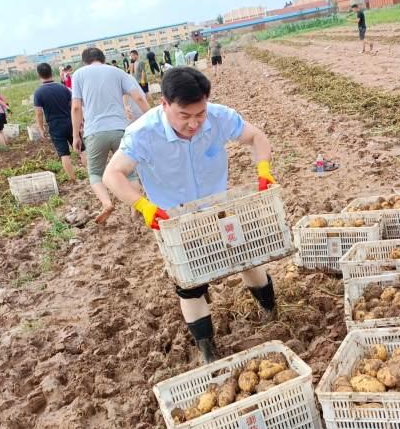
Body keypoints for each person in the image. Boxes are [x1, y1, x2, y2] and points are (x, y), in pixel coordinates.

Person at [102, 67, 278, 363]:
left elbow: (256, 138)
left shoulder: (219, 117)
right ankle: (208, 349)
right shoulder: (143, 134)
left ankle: (271, 312)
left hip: (219, 210)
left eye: (200, 114)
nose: (194, 123)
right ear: (165, 105)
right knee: (190, 284)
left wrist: (264, 171)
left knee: (247, 257)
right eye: (185, 116)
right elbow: (112, 174)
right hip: (176, 222)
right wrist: (144, 206)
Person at [70, 47, 149, 223]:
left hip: (94, 132)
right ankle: (135, 208)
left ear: (85, 61)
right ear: (103, 59)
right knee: (130, 173)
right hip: (120, 128)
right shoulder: (117, 72)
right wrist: (152, 118)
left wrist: (76, 135)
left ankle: (106, 204)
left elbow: (76, 107)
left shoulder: (79, 75)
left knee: (96, 173)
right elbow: (139, 97)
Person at [34, 62, 87, 186]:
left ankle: (74, 180)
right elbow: (73, 106)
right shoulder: (62, 88)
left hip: (55, 125)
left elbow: (38, 113)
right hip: (70, 122)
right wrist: (81, 121)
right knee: (81, 149)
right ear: (51, 72)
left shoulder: (39, 92)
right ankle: (92, 174)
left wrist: (41, 128)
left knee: (64, 154)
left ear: (39, 75)